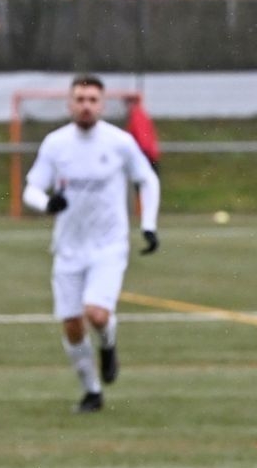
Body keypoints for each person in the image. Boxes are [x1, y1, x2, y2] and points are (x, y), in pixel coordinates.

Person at [21, 74, 160, 413]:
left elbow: (147, 179)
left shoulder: (120, 142)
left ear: (102, 105)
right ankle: (92, 391)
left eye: (92, 100)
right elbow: (32, 189)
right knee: (72, 325)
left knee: (96, 314)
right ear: (69, 104)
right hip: (68, 248)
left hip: (109, 246)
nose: (86, 106)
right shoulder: (55, 143)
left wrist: (149, 225)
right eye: (80, 99)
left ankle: (108, 342)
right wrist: (47, 204)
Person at [125, 95, 161, 173]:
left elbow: (143, 140)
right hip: (147, 155)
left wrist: (141, 155)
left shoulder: (137, 116)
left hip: (146, 156)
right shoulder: (139, 114)